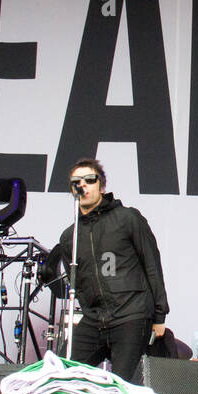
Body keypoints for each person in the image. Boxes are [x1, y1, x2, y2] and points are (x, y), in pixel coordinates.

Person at [56, 158, 168, 380]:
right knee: (58, 374)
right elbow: (76, 282)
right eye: (77, 181)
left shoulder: (127, 218)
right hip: (94, 319)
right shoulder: (70, 237)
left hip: (130, 315)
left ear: (102, 186)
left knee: (120, 385)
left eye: (89, 179)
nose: (83, 185)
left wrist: (159, 315)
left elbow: (151, 264)